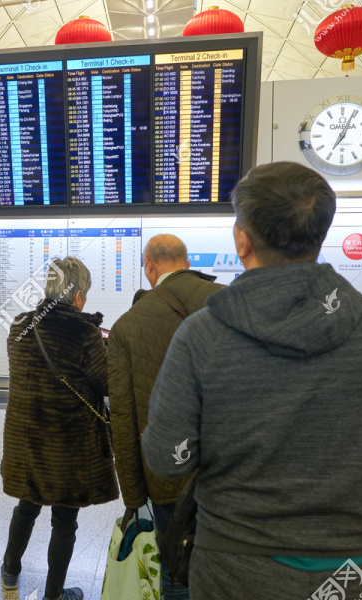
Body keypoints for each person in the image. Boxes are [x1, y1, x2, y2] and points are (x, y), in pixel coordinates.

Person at [142, 162, 362, 600]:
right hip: (355, 570)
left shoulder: (201, 335)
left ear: (242, 241)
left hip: (233, 568)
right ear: (319, 236)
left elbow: (167, 459)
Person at [108, 235, 223, 600]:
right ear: (187, 262)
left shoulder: (127, 325)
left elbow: (122, 417)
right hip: (231, 472)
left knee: (175, 562)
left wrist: (133, 494)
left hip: (167, 475)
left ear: (149, 266)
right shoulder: (229, 302)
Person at [0, 257, 117, 600]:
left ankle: (9, 573)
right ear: (77, 294)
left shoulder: (20, 325)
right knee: (64, 521)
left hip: (27, 441)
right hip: (68, 446)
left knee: (27, 506)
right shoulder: (84, 331)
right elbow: (105, 382)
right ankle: (54, 596)